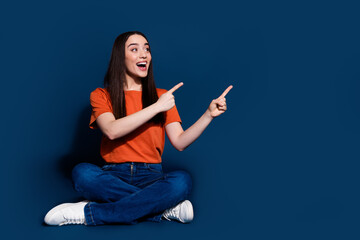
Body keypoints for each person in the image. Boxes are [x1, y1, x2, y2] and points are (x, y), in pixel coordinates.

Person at [44, 31, 233, 226]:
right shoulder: (102, 95)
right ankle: (163, 208)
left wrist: (208, 115)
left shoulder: (162, 96)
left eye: (147, 49)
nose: (144, 54)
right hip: (112, 175)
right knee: (82, 173)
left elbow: (180, 142)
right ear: (120, 57)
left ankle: (90, 213)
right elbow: (112, 130)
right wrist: (157, 107)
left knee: (182, 180)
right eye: (134, 49)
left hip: (151, 176)